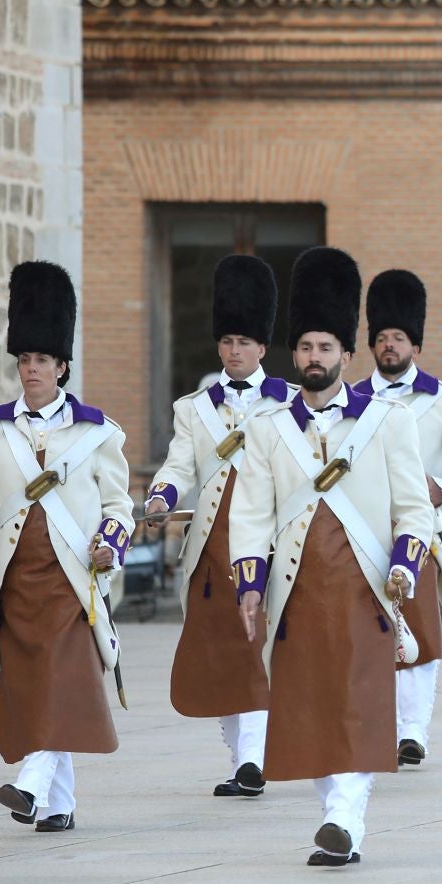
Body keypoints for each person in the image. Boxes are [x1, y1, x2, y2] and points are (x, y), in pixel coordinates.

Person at [230, 247, 436, 866]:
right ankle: (334, 812)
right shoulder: (269, 430)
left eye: (326, 348)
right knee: (313, 706)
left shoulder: (387, 421)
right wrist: (248, 584)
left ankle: (345, 817)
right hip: (296, 589)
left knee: (355, 698)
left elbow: (413, 507)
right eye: (306, 348)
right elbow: (251, 514)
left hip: (362, 586)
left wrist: (405, 560)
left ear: (348, 355)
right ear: (294, 355)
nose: (314, 358)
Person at [0, 261, 133, 833]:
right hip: (18, 581)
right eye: (24, 360)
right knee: (37, 688)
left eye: (41, 360)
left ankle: (28, 786)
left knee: (63, 679)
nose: (30, 370)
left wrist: (108, 545)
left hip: (74, 579)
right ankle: (60, 803)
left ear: (62, 366)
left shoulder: (99, 432)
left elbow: (119, 509)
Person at [145, 255, 286, 798]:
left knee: (253, 647)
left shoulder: (290, 405)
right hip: (210, 546)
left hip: (265, 542)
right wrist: (160, 496)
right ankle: (240, 759)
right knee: (219, 655)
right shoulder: (193, 409)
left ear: (262, 348)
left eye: (243, 341)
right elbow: (180, 465)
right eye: (226, 340)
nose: (233, 351)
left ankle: (253, 760)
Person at [352, 270, 442, 768]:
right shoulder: (350, 400)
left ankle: (412, 731)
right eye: (382, 338)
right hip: (361, 532)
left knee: (420, 631)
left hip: (421, 533)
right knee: (365, 633)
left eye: (399, 338)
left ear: (416, 343)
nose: (389, 346)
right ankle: (375, 724)